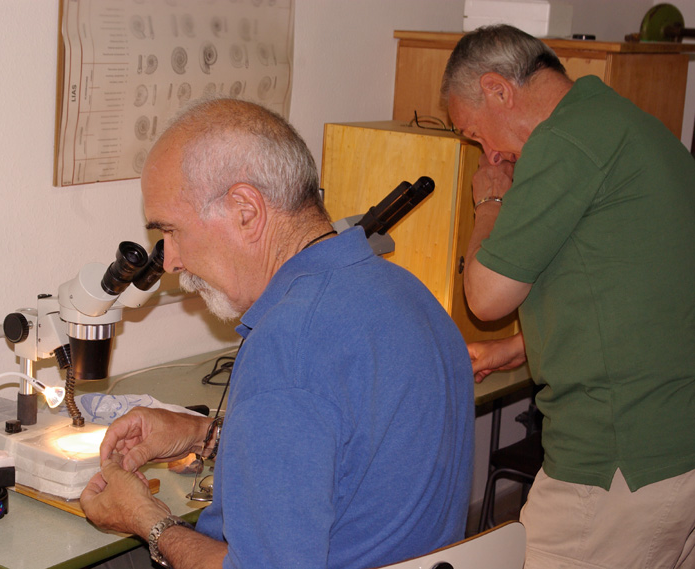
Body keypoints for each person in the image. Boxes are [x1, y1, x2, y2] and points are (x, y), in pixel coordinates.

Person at [79, 97, 474, 569]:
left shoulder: (288, 345)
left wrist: (149, 520)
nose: (169, 260)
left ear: (246, 210)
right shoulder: (406, 292)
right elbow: (351, 455)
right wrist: (206, 434)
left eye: (172, 231)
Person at [441, 24, 695, 568]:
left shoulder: (563, 142)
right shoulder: (630, 126)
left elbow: (485, 297)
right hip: (676, 444)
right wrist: (513, 350)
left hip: (618, 460)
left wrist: (488, 203)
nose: (486, 151)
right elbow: (626, 294)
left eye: (473, 133)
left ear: (497, 90)